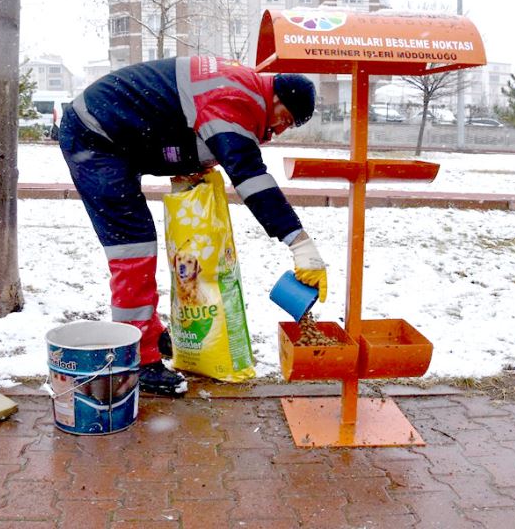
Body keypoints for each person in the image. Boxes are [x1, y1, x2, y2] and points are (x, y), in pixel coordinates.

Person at [59, 56, 328, 396]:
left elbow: (177, 113)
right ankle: (138, 361)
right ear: (276, 100)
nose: (278, 131)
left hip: (116, 132)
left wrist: (190, 161)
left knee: (137, 243)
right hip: (95, 136)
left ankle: (150, 335)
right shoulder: (238, 99)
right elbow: (250, 177)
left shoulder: (238, 84)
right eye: (284, 120)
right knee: (133, 246)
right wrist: (300, 244)